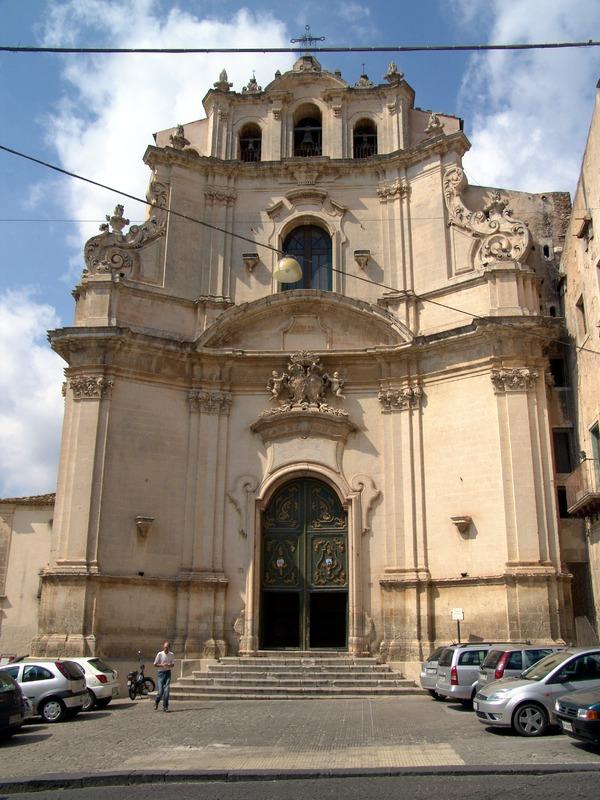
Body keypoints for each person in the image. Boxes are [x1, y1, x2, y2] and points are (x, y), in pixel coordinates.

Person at [153, 641, 175, 712]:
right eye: (165, 647)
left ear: (169, 648)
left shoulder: (171, 654)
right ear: (163, 647)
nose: (166, 648)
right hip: (161, 673)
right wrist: (162, 665)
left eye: (167, 647)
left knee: (167, 690)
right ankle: (156, 702)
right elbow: (155, 664)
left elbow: (173, 664)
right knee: (160, 691)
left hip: (168, 673)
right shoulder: (160, 654)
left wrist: (169, 665)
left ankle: (165, 706)